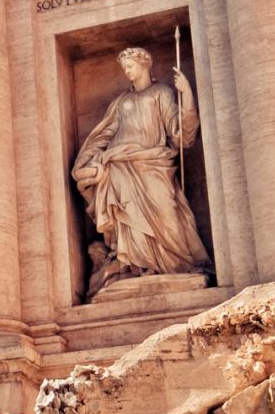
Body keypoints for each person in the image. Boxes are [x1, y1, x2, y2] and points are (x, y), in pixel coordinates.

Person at [72, 47, 209, 295]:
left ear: (144, 65)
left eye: (131, 65)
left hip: (153, 163)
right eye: (124, 67)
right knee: (128, 216)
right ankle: (137, 265)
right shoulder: (121, 102)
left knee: (167, 215)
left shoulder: (162, 93)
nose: (127, 71)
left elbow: (180, 135)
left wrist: (186, 94)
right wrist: (87, 162)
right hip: (120, 165)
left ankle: (179, 265)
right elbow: (103, 135)